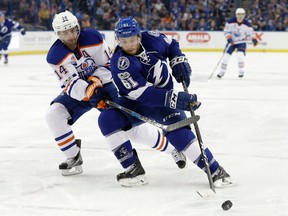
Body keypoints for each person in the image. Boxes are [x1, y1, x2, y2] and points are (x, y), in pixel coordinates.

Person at [45, 11, 186, 177]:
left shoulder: (93, 38)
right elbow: (70, 83)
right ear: (57, 33)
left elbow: (109, 65)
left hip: (105, 87)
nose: (70, 36)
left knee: (129, 129)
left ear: (78, 27)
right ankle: (73, 156)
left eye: (72, 30)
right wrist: (89, 90)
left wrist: (96, 83)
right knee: (54, 114)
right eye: (64, 32)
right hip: (80, 93)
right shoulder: (55, 56)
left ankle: (172, 149)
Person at [98, 16, 233, 188]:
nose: (129, 45)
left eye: (132, 39)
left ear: (138, 36)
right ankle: (133, 169)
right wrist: (176, 99)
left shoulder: (152, 38)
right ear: (117, 40)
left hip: (163, 103)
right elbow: (145, 95)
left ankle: (215, 171)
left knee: (179, 133)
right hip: (136, 102)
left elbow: (171, 44)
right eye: (124, 41)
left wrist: (178, 60)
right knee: (107, 119)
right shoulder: (120, 63)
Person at [217, 8, 258, 78]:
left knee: (240, 55)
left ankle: (241, 71)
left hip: (241, 42)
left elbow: (251, 33)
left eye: (242, 14)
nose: (240, 16)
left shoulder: (247, 24)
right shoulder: (230, 22)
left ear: (244, 15)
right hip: (232, 42)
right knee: (226, 57)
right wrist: (229, 38)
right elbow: (226, 31)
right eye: (239, 14)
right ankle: (222, 72)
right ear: (236, 15)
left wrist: (254, 39)